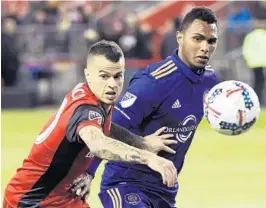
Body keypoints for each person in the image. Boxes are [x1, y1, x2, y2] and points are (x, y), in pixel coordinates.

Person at [71, 7, 219, 207]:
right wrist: (89, 172)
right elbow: (107, 126)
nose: (205, 47)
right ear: (180, 37)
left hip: (165, 190)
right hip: (125, 184)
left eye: (211, 41)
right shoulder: (155, 81)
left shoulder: (210, 81)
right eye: (198, 38)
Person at [3, 40, 178, 208]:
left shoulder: (94, 96)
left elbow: (107, 129)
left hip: (63, 197)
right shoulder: (86, 110)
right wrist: (148, 158)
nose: (112, 84)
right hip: (30, 200)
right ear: (88, 75)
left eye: (118, 76)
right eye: (104, 76)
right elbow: (98, 144)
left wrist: (143, 143)